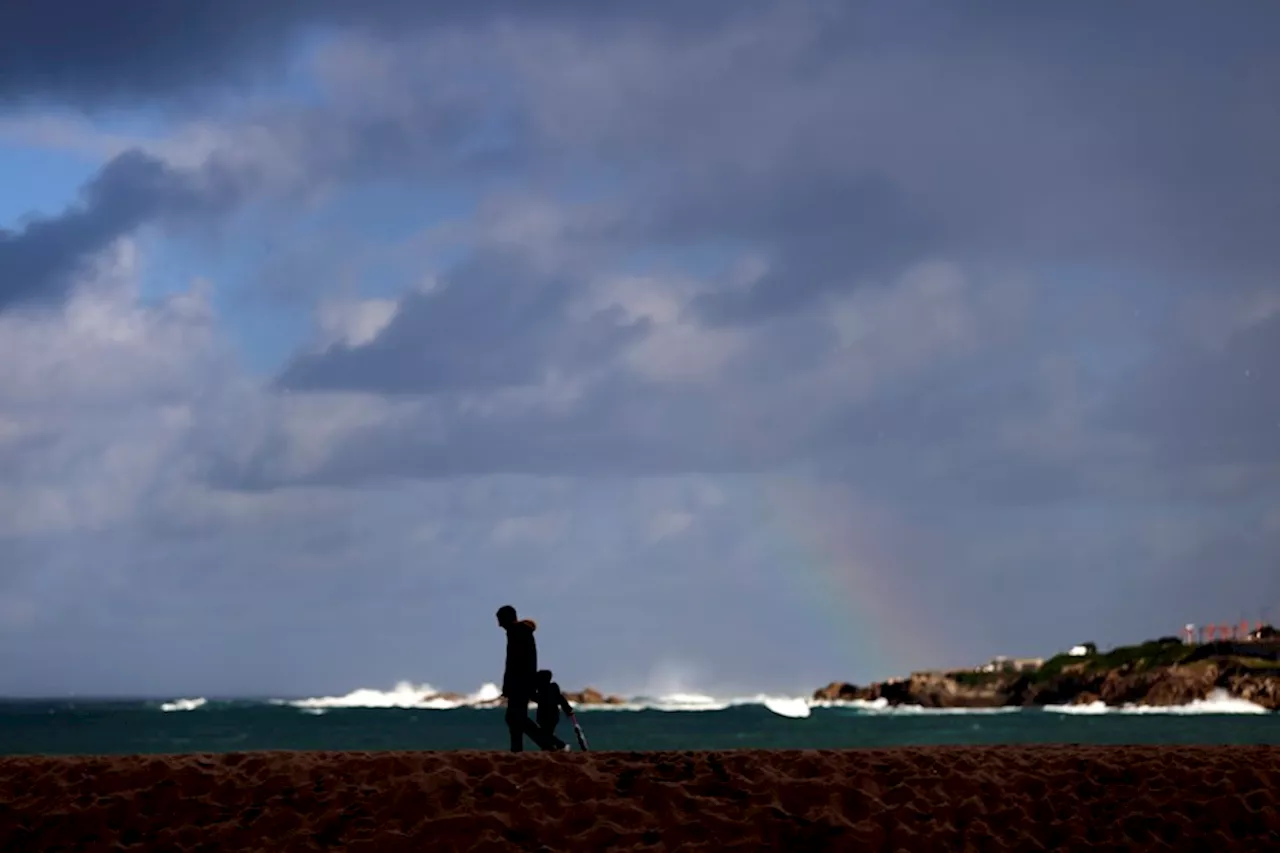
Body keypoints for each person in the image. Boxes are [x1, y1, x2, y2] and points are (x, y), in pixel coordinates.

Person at [496, 604, 558, 752]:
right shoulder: (519, 632)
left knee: (515, 718)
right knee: (515, 718)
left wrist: (512, 685)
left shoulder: (517, 633)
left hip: (520, 684)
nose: (498, 624)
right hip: (522, 683)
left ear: (506, 619)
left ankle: (551, 744)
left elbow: (515, 663)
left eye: (499, 620)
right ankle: (522, 748)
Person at [532, 669, 575, 751]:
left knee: (546, 734)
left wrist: (568, 709)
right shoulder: (552, 688)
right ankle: (549, 748)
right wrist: (568, 710)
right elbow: (561, 699)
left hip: (548, 716)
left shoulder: (544, 689)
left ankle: (562, 745)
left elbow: (537, 698)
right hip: (551, 716)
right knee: (547, 733)